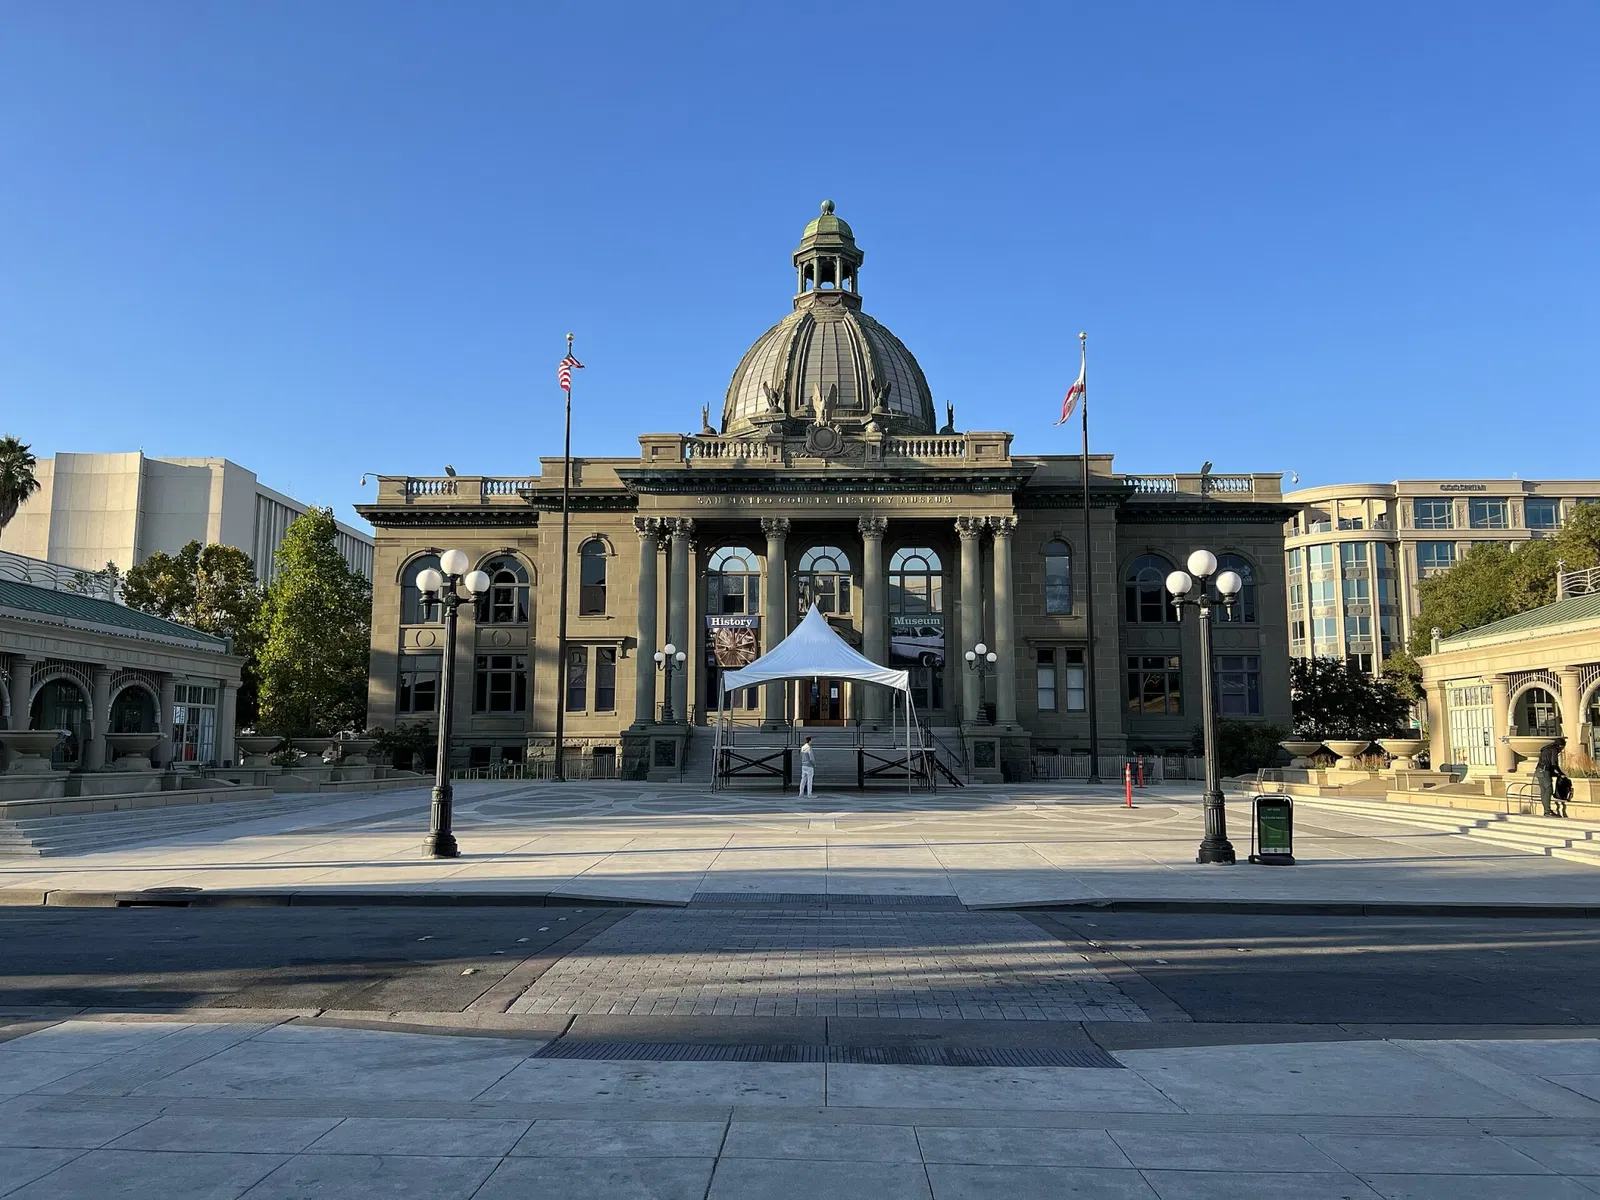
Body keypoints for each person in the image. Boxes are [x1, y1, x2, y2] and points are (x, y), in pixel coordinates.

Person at [1534, 737, 1568, 818]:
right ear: (1561, 746)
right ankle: (1547, 811)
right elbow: (1554, 763)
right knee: (1549, 790)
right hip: (1544, 771)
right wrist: (1560, 773)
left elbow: (1546, 762)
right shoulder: (1554, 750)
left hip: (1539, 771)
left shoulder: (1546, 748)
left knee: (1543, 790)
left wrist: (1555, 774)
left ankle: (1546, 810)